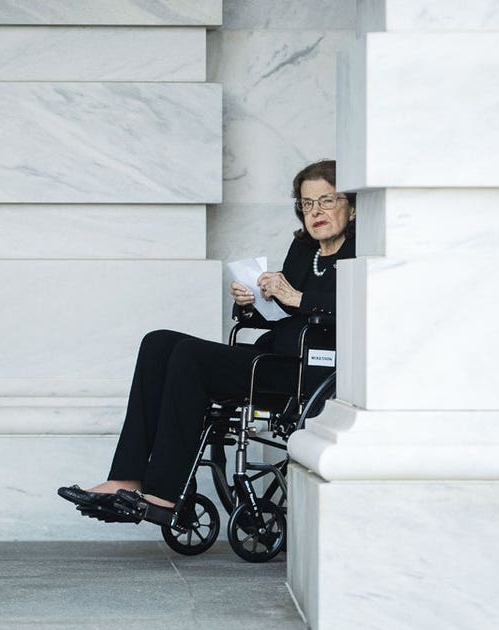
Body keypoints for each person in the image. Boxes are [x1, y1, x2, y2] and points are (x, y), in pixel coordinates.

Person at [58, 159, 356, 525]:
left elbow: (358, 310)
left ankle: (163, 495)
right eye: (308, 203)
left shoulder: (360, 255)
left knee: (189, 356)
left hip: (309, 370)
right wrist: (251, 301)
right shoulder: (303, 251)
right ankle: (126, 476)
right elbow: (279, 312)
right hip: (273, 356)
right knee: (158, 343)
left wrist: (296, 298)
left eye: (327, 201)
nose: (315, 212)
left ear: (352, 206)